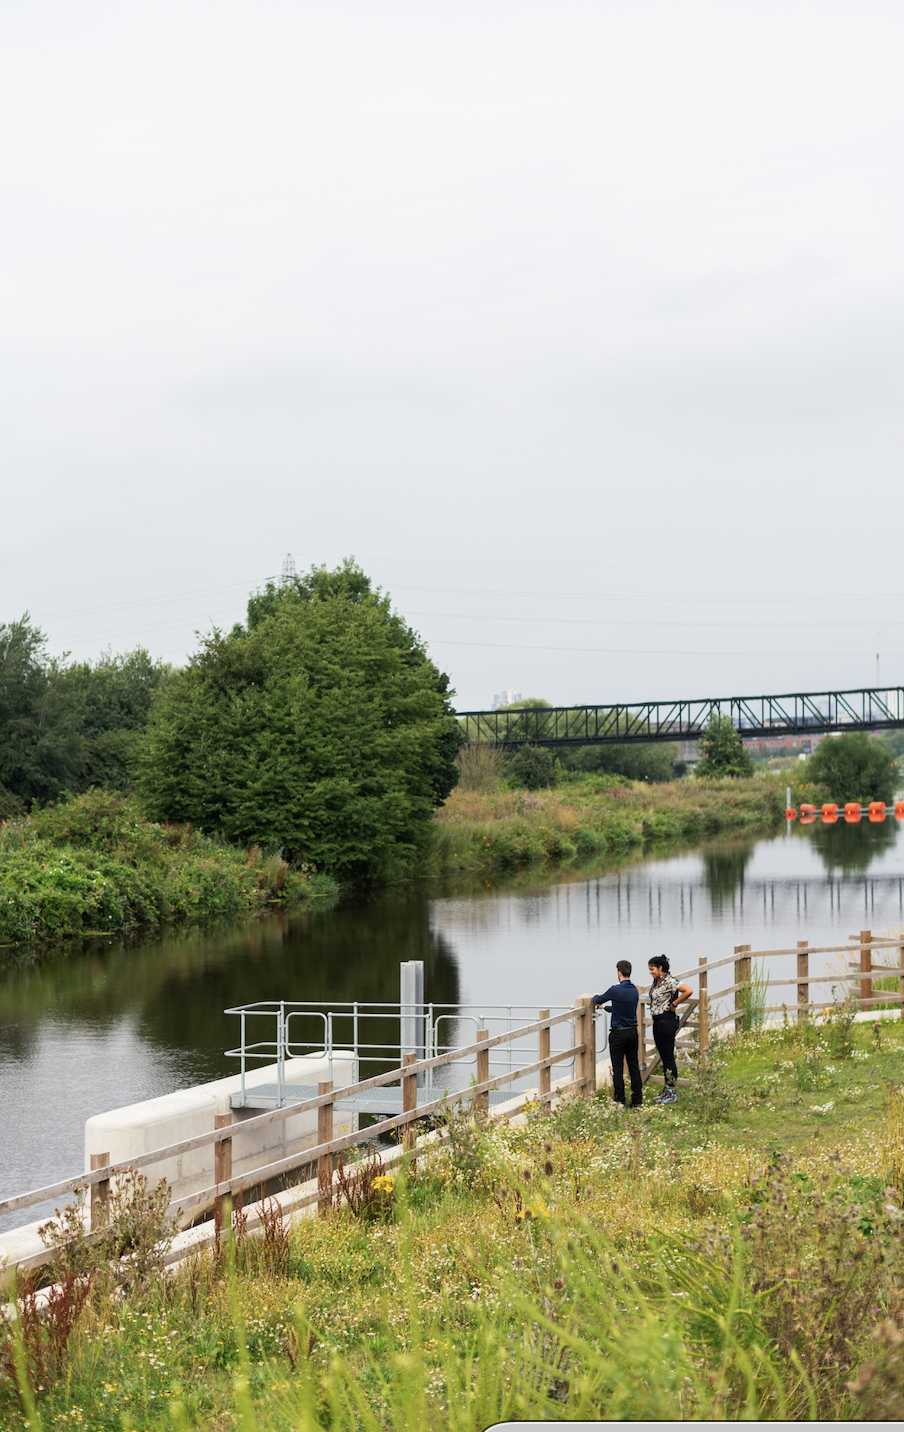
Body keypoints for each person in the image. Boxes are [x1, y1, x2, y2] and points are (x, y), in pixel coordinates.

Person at [593, 960, 643, 1108]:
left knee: (618, 1067)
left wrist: (597, 997)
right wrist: (606, 1008)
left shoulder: (615, 990)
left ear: (619, 973)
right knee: (633, 1066)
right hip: (632, 1032)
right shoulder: (634, 990)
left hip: (618, 1034)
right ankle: (637, 1100)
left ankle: (620, 1100)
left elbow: (597, 999)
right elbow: (621, 1009)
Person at [647, 955, 692, 1104]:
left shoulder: (670, 981)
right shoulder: (657, 981)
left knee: (668, 1057)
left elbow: (688, 991)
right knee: (663, 1055)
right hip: (658, 1020)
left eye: (652, 969)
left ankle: (672, 1093)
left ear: (660, 968)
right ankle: (666, 1090)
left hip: (667, 1020)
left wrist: (674, 1004)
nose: (650, 972)